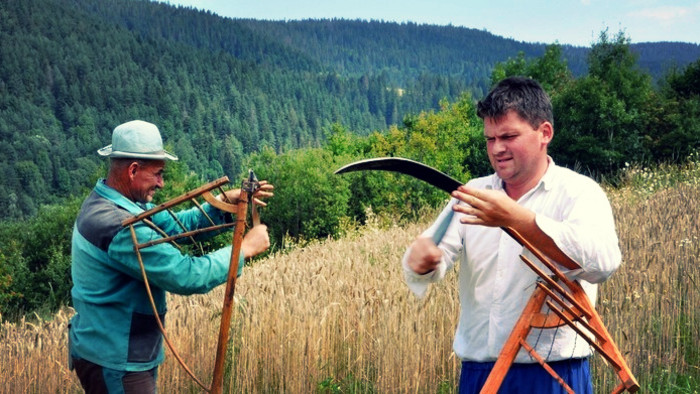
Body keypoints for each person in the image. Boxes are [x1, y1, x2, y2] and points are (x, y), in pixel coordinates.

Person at [402, 77, 621, 393]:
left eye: (508, 136)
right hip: (480, 374)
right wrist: (421, 261)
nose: (497, 148)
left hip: (554, 374)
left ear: (544, 133)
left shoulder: (578, 192)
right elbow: (429, 259)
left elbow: (603, 262)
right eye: (490, 139)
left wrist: (520, 221)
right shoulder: (473, 193)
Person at [68, 120, 273, 393]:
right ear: (132, 170)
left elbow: (177, 226)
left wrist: (226, 204)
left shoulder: (120, 203)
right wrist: (244, 250)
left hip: (119, 353)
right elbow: (185, 275)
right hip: (117, 361)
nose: (162, 183)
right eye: (158, 174)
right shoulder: (117, 225)